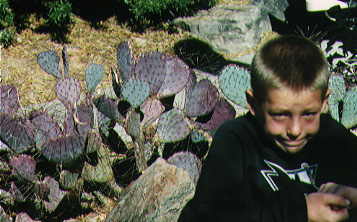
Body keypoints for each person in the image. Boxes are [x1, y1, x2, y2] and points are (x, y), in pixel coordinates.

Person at [178, 35, 357, 222]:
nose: (295, 130)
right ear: (253, 104)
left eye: (308, 114)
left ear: (323, 103)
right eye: (280, 114)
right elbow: (203, 215)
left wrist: (352, 195)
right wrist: (301, 210)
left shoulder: (331, 135)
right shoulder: (236, 139)